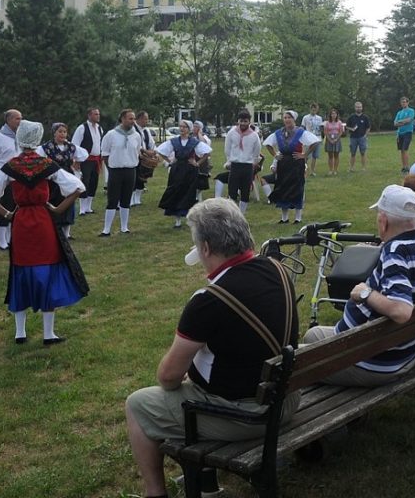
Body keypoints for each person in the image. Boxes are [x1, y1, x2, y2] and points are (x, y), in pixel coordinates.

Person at [124, 198, 299, 498]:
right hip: (287, 398)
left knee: (138, 404)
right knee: (199, 381)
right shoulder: (278, 269)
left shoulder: (209, 300)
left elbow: (168, 376)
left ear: (205, 248)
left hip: (251, 416)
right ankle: (202, 480)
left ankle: (155, 492)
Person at [302, 185, 415, 386]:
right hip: (396, 349)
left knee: (297, 367)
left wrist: (365, 292)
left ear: (383, 221)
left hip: (374, 362)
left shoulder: (395, 253)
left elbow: (401, 311)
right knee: (312, 336)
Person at [0, 120, 88, 346]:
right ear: (37, 138)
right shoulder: (47, 164)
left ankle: (20, 332)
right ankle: (48, 334)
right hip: (43, 221)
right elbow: (77, 187)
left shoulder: (11, 165)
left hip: (21, 223)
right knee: (47, 272)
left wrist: (7, 214)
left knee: (21, 270)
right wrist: (57, 209)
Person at [262, 110, 321, 224]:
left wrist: (304, 155)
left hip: (296, 164)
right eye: (285, 117)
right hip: (283, 164)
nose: (287, 120)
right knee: (283, 188)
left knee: (297, 188)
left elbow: (315, 142)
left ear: (294, 119)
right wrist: (275, 155)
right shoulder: (279, 133)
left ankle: (298, 218)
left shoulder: (300, 132)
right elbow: (268, 144)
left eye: (289, 117)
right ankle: (284, 218)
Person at [157, 119, 213, 228]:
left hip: (190, 171)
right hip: (177, 170)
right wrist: (170, 162)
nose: (182, 129)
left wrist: (197, 163)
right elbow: (161, 151)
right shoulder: (174, 141)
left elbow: (207, 152)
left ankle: (189, 218)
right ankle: (177, 220)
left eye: (184, 127)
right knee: (176, 192)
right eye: (180, 126)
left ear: (189, 129)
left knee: (189, 193)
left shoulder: (194, 142)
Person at [36, 122, 85, 240]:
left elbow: (83, 155)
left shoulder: (71, 146)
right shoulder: (46, 147)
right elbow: (39, 160)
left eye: (64, 132)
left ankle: (66, 232)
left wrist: (76, 163)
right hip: (53, 179)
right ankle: (53, 230)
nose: (62, 134)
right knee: (54, 202)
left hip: (68, 177)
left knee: (68, 203)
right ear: (54, 133)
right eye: (60, 131)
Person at [99, 109, 144, 236]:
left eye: (134, 118)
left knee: (126, 198)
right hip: (115, 170)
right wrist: (111, 167)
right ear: (122, 119)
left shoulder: (136, 135)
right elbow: (105, 153)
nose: (133, 121)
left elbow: (137, 151)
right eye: (130, 118)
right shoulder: (111, 135)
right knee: (112, 199)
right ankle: (106, 229)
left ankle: (124, 227)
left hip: (130, 170)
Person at [0, 109, 22, 250]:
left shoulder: (20, 137)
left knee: (16, 209)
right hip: (5, 178)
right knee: (5, 208)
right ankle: (2, 241)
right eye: (17, 119)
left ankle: (11, 237)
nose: (20, 121)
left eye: (21, 118)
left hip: (19, 179)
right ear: (8, 120)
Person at [217, 111, 261, 213]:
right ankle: (233, 213)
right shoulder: (232, 133)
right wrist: (229, 160)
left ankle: (242, 213)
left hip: (247, 166)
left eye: (245, 121)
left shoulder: (254, 135)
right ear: (238, 121)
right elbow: (227, 149)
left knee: (245, 191)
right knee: (232, 190)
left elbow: (257, 150)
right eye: (241, 121)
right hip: (235, 165)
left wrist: (253, 161)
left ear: (249, 122)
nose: (243, 124)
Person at [71, 107, 104, 215]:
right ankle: (82, 208)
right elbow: (75, 144)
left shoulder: (100, 128)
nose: (98, 116)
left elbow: (100, 144)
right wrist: (76, 160)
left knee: (94, 182)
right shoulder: (82, 128)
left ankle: (89, 207)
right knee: (85, 181)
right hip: (85, 159)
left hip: (96, 159)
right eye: (95, 114)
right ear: (89, 115)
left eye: (98, 114)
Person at [131, 111, 158, 207]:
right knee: (134, 178)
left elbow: (151, 143)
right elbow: (133, 144)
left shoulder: (146, 130)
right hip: (135, 157)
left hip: (145, 158)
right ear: (139, 119)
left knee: (142, 179)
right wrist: (145, 152)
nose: (147, 121)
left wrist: (154, 152)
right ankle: (131, 199)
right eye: (145, 119)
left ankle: (137, 199)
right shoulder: (132, 129)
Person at [346, 101, 371, 172]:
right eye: (357, 107)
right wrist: (352, 129)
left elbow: (368, 127)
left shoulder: (365, 117)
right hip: (353, 137)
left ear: (362, 108)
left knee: (363, 153)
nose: (358, 108)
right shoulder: (351, 117)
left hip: (362, 138)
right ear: (355, 108)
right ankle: (351, 168)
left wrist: (365, 135)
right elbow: (347, 127)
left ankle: (363, 168)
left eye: (360, 107)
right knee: (352, 153)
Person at [192, 120, 213, 201]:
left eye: (196, 126)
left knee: (201, 181)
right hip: (191, 161)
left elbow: (204, 147)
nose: (194, 128)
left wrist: (199, 134)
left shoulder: (205, 138)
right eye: (193, 126)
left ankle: (196, 195)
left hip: (202, 163)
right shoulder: (190, 137)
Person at [395, 97, 415, 173]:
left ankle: (407, 167)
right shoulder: (399, 113)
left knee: (405, 149)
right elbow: (395, 123)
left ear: (408, 103)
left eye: (405, 102)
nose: (403, 103)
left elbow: (409, 120)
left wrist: (400, 122)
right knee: (401, 150)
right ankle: (403, 167)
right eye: (402, 102)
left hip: (408, 132)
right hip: (400, 133)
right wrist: (402, 122)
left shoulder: (411, 111)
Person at [302, 103, 323, 177]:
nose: (314, 110)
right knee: (306, 155)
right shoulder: (305, 117)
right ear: (310, 109)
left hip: (317, 138)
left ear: (317, 110)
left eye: (315, 109)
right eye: (312, 109)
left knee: (315, 156)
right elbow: (303, 128)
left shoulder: (319, 118)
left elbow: (321, 128)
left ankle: (312, 171)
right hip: (308, 139)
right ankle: (304, 170)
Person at [323, 107, 344, 175]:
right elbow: (325, 132)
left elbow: (341, 132)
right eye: (332, 114)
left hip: (337, 139)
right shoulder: (327, 123)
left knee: (336, 155)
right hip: (329, 139)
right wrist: (329, 139)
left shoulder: (339, 122)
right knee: (330, 156)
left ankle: (335, 170)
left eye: (335, 114)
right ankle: (330, 170)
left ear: (337, 115)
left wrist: (336, 139)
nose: (334, 115)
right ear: (330, 115)